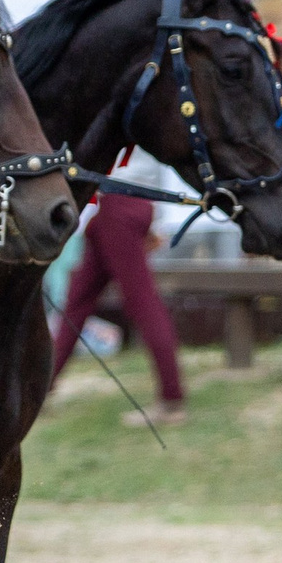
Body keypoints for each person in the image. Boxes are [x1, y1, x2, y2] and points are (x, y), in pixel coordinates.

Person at [49, 154, 186, 430]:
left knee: (143, 303)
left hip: (119, 207)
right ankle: (40, 388)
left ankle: (172, 400)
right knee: (77, 301)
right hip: (121, 206)